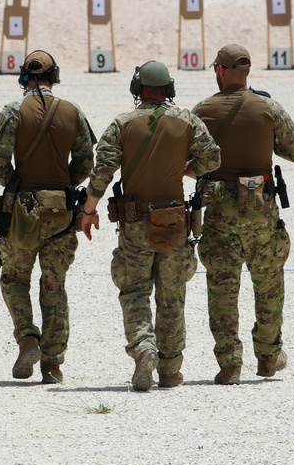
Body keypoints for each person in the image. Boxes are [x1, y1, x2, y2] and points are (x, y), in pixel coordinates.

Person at [81, 61, 220, 391]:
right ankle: (170, 370)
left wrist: (89, 211)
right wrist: (184, 171)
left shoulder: (122, 123)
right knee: (172, 294)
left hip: (134, 222)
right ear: (169, 89)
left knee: (134, 290)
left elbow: (103, 172)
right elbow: (212, 159)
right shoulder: (187, 119)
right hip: (174, 220)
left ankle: (144, 348)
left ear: (137, 88)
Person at [191, 44, 294, 384]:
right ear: (247, 71)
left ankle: (230, 363)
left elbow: (189, 162)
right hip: (260, 210)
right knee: (269, 283)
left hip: (218, 210)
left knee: (222, 286)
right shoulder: (267, 107)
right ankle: (269, 356)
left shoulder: (202, 109)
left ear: (222, 70)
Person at [0, 50, 95, 384]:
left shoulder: (12, 111)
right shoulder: (72, 111)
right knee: (54, 285)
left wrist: (14, 183)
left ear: (24, 76)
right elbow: (85, 161)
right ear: (55, 76)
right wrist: (64, 184)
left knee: (14, 278)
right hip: (61, 209)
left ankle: (27, 337)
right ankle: (53, 364)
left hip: (21, 210)